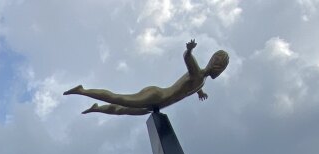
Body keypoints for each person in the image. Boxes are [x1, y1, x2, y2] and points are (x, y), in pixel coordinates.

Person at [64, 39, 229, 115]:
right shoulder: (197, 73)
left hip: (157, 106)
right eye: (217, 63)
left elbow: (192, 87)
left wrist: (200, 92)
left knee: (121, 110)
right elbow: (186, 57)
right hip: (156, 96)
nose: (216, 68)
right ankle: (82, 90)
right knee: (119, 99)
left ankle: (96, 108)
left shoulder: (201, 80)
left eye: (219, 66)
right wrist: (190, 50)